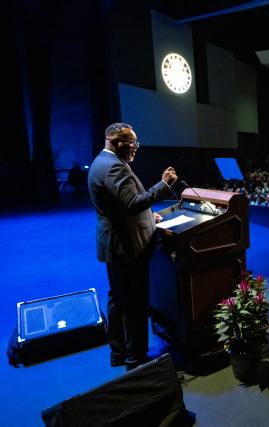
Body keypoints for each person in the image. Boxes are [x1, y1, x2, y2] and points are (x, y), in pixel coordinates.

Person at [88, 122, 178, 369]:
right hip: (126, 247)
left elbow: (120, 206)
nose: (136, 148)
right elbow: (133, 203)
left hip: (113, 244)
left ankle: (118, 353)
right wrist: (164, 185)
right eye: (132, 143)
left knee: (118, 299)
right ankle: (136, 357)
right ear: (115, 142)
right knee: (135, 303)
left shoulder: (101, 162)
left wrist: (150, 216)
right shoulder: (114, 167)